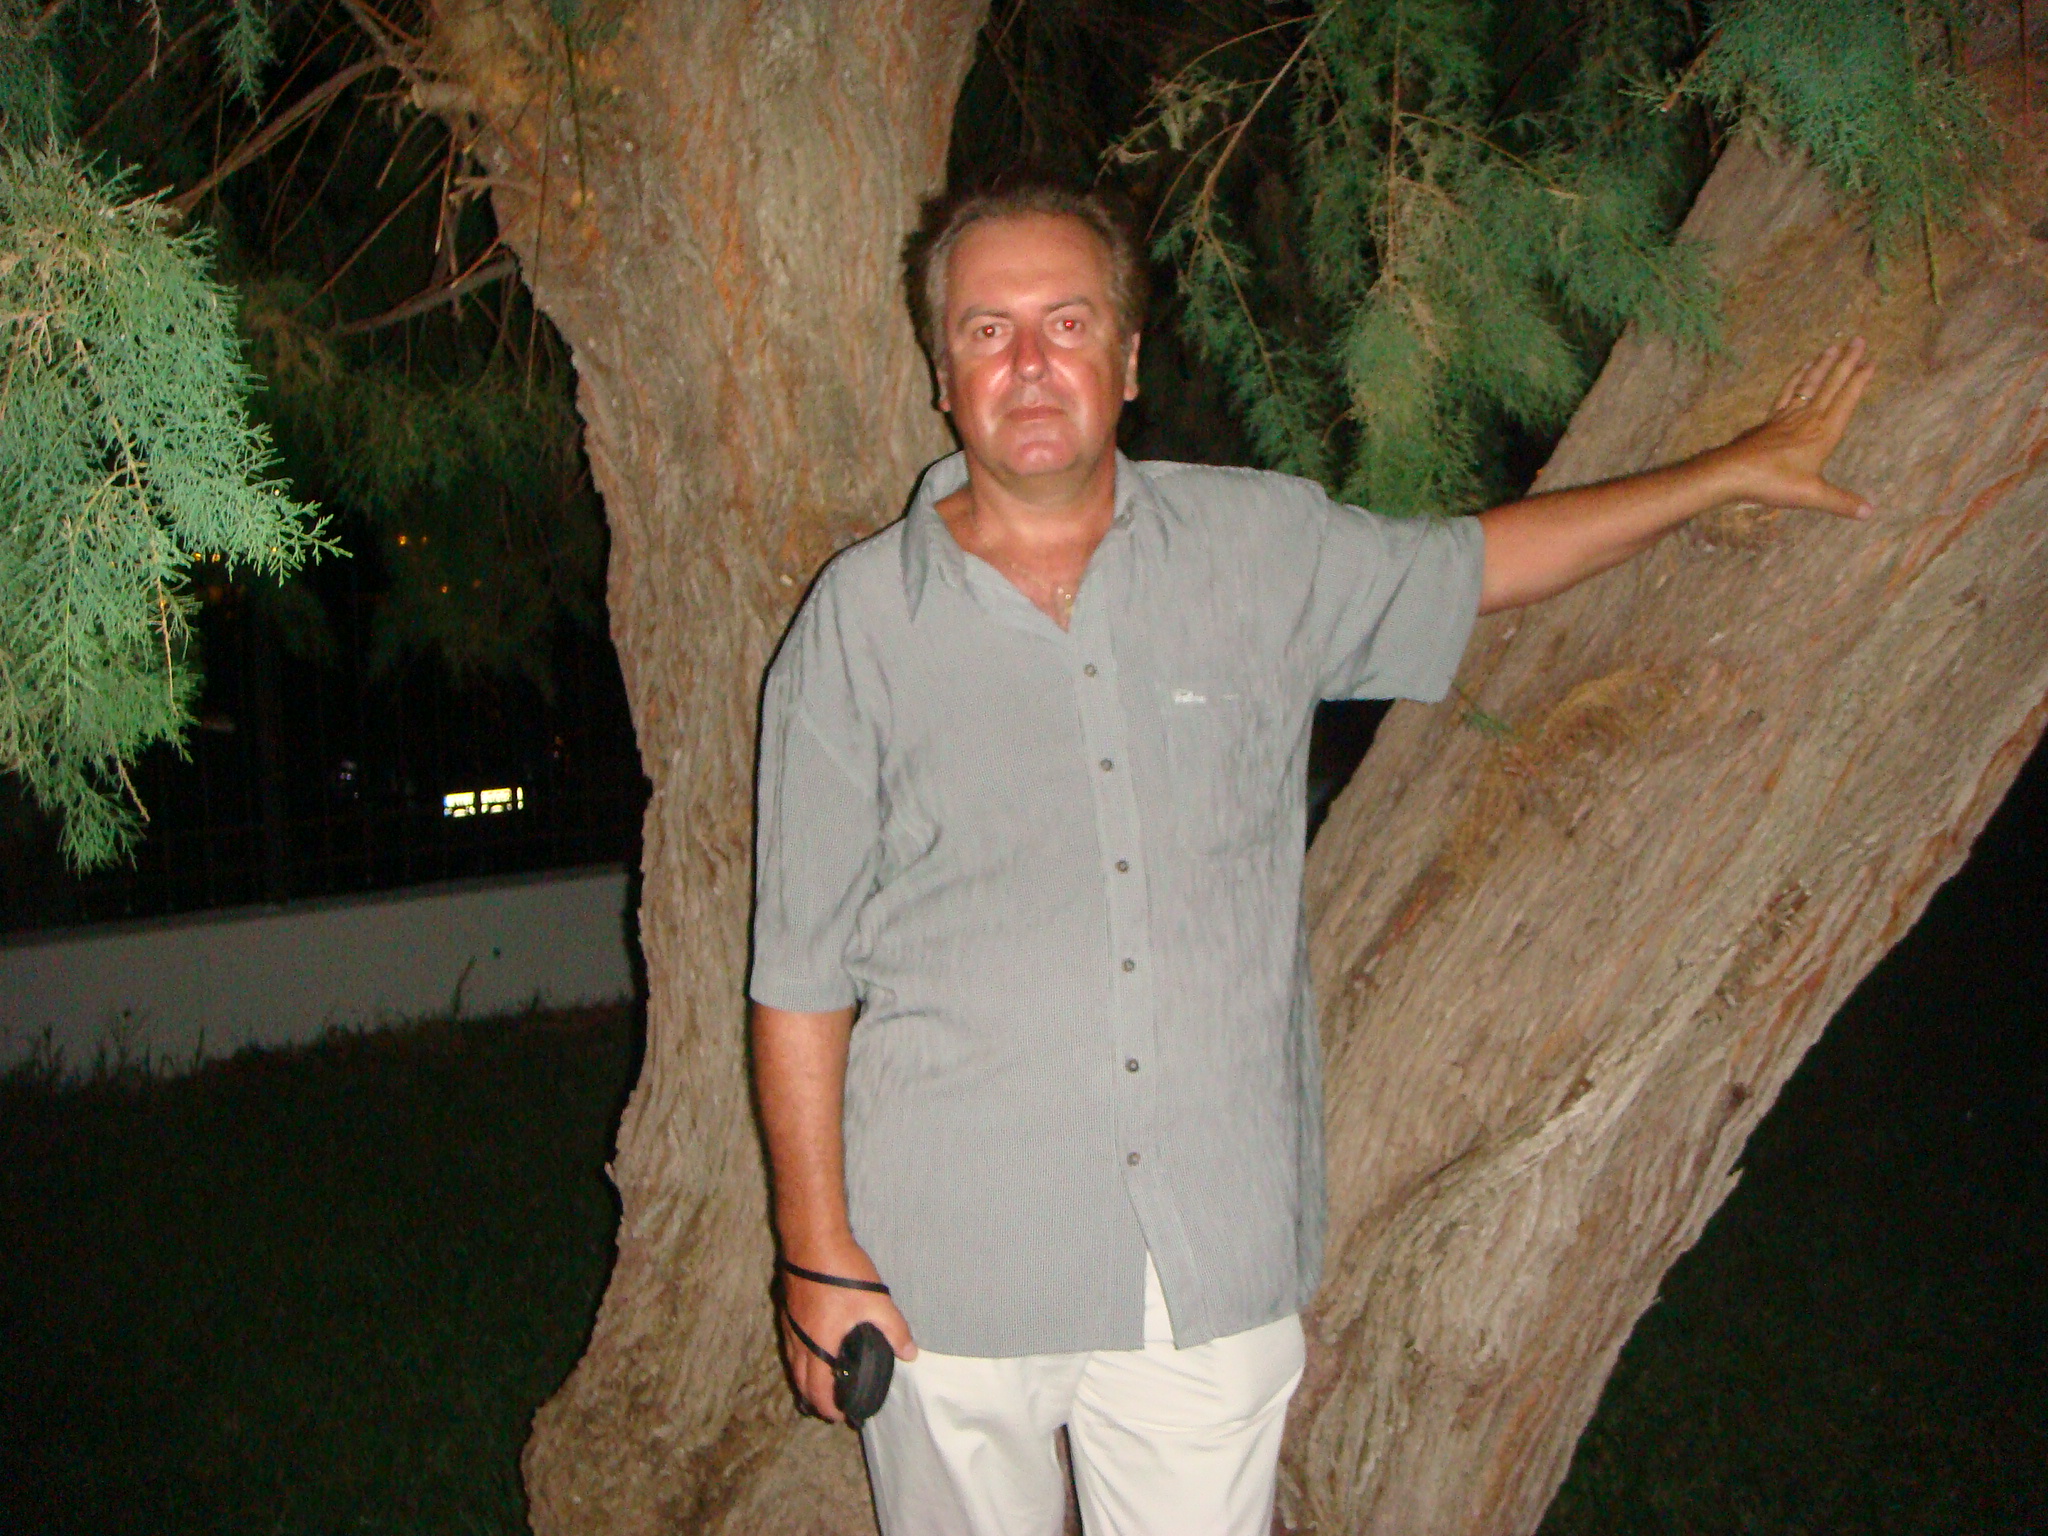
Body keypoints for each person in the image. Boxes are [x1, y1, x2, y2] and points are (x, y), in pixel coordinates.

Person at [747, 177, 1873, 1536]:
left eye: (1068, 322)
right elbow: (800, 970)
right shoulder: (860, 622)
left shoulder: (1261, 547)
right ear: (943, 375)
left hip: (1206, 1264)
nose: (1031, 362)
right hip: (944, 1271)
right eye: (989, 330)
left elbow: (1477, 565)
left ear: (1129, 359)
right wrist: (817, 1250)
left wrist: (1729, 468)